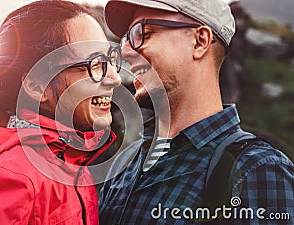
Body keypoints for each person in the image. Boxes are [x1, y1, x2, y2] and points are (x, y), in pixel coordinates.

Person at [99, 0, 294, 224]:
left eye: (142, 33)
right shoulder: (125, 161)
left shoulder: (257, 170)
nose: (125, 51)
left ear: (200, 41)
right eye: (125, 40)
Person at [0, 1, 122, 224]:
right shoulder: (12, 178)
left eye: (110, 59)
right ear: (36, 85)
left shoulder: (67, 163)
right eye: (94, 64)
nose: (115, 78)